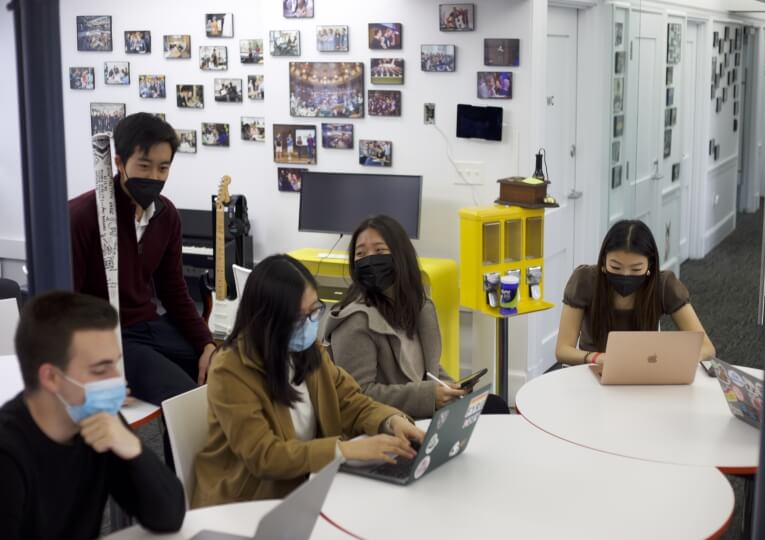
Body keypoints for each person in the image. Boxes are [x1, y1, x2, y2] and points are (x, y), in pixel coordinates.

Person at [191, 255, 423, 508]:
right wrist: (345, 451)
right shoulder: (231, 371)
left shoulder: (308, 351)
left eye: (315, 310)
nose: (311, 322)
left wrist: (391, 421)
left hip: (308, 485)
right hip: (248, 502)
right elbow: (264, 455)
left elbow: (351, 402)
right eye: (299, 317)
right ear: (267, 320)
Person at [0, 292, 185, 539]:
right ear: (52, 377)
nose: (118, 380)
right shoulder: (8, 454)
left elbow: (168, 517)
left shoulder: (98, 420)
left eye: (116, 364)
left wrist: (132, 448)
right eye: (101, 369)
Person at [70, 113, 216, 407]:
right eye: (144, 166)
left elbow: (174, 291)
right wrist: (92, 365)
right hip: (108, 337)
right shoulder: (82, 216)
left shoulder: (167, 215)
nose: (154, 178)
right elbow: (63, 305)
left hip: (150, 326)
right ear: (119, 162)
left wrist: (206, 343)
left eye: (163, 168)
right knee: (188, 402)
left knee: (227, 374)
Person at [324, 215, 502, 420]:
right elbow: (358, 395)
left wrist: (451, 388)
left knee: (495, 406)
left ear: (400, 255)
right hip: (393, 423)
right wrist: (428, 396)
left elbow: (428, 369)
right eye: (360, 254)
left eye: (379, 250)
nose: (369, 259)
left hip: (426, 411)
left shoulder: (417, 308)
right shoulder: (354, 322)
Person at [555, 219, 716, 367]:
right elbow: (563, 350)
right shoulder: (585, 280)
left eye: (636, 269)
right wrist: (597, 357)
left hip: (645, 371)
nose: (625, 275)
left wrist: (670, 360)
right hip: (593, 369)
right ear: (603, 261)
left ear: (649, 266)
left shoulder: (663, 284)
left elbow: (707, 349)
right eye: (616, 267)